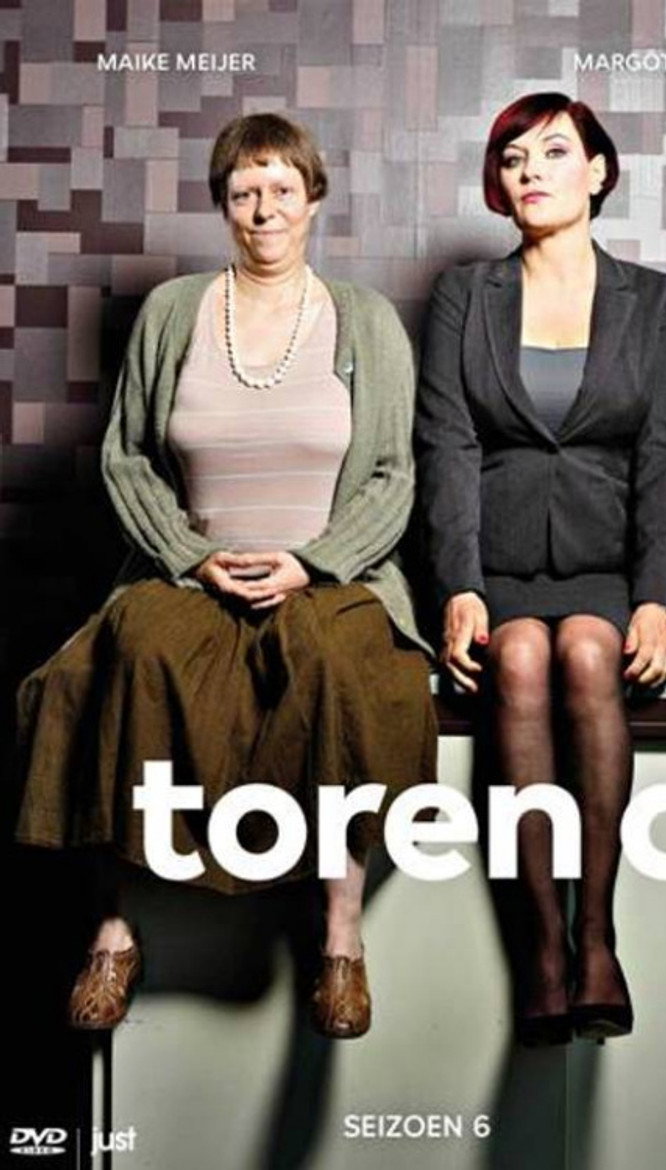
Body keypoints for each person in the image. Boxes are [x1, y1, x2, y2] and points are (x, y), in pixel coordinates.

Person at [14, 112, 437, 1040]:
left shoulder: (365, 319)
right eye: (245, 192)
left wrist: (312, 562)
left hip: (331, 577)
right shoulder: (174, 312)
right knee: (136, 651)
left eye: (283, 188)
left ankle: (340, 936)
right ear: (223, 206)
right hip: (188, 570)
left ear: (314, 199)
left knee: (335, 665)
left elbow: (392, 476)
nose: (264, 209)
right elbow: (126, 458)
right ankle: (115, 929)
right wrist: (191, 556)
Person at [414, 92, 666, 1045]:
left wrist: (658, 601)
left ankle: (597, 936)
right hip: (493, 567)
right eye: (513, 158)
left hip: (604, 570)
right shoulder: (465, 295)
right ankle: (541, 948)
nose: (530, 171)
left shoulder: (656, 301)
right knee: (523, 659)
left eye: (553, 152)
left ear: (599, 171)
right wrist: (458, 585)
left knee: (583, 652)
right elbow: (446, 445)